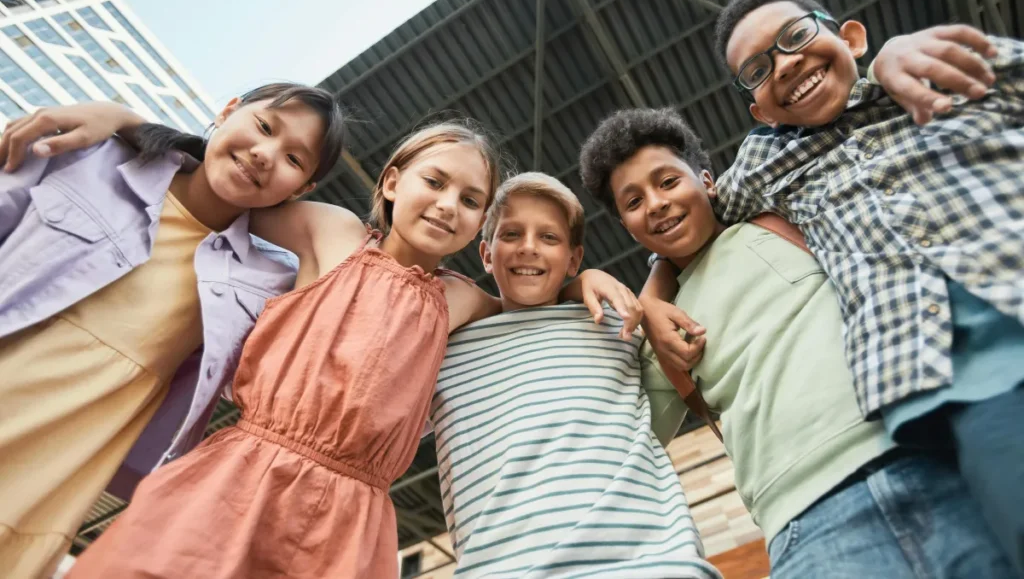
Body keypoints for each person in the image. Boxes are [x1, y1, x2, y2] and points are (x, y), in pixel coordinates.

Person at [27, 109, 636, 579]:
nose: (449, 205)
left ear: (480, 226)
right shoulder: (335, 234)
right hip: (240, 476)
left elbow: (533, 297)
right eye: (435, 182)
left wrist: (585, 276)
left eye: (471, 200)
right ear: (393, 181)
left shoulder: (460, 300)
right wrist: (128, 122)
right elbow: (228, 186)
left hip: (352, 518)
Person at [579, 108, 1016, 578]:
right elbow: (622, 439)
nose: (657, 204)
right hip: (804, 523)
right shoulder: (660, 332)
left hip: (925, 455)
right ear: (626, 225)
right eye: (634, 201)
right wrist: (580, 282)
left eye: (667, 182)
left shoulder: (791, 218)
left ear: (708, 181)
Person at [711, 0, 1024, 574]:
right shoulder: (764, 170)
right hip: (968, 378)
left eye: (797, 36)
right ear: (760, 111)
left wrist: (890, 58)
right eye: (758, 68)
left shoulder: (935, 67)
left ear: (850, 37)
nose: (786, 62)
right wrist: (645, 297)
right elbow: (679, 217)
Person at [0, 83, 346, 579]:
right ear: (228, 110)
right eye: (265, 127)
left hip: (51, 486)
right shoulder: (89, 156)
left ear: (302, 191)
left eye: (294, 160)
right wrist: (122, 120)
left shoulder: (266, 284)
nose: (265, 154)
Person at [429, 172, 720, 578]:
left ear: (574, 258)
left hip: (652, 564)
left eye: (549, 238)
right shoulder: (442, 349)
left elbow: (681, 260)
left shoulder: (616, 319)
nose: (529, 248)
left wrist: (605, 287)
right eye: (511, 234)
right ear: (486, 253)